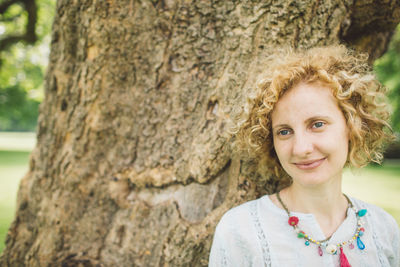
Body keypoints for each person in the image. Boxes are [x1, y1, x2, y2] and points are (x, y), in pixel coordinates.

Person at [209, 45, 400, 267]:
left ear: (352, 125)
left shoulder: (383, 228)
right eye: (284, 131)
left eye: (317, 124)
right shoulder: (240, 231)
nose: (301, 148)